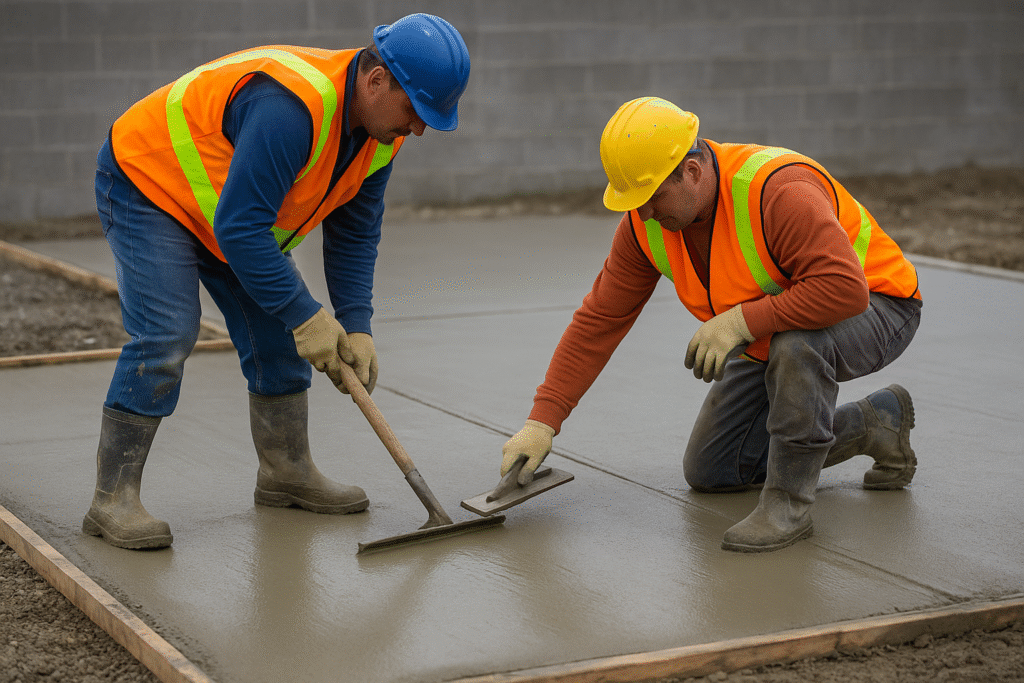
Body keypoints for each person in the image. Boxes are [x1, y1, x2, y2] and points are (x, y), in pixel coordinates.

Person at [83, 14, 471, 550]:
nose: (420, 128)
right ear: (377, 80)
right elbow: (242, 228)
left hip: (227, 208)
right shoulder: (291, 108)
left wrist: (356, 325)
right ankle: (112, 498)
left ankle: (286, 472)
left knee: (280, 341)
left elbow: (354, 234)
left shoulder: (382, 135)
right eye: (415, 110)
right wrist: (307, 314)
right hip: (150, 184)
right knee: (167, 332)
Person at [500, 97, 922, 552]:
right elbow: (601, 318)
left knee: (799, 347)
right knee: (714, 469)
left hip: (878, 306)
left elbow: (843, 289)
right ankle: (872, 423)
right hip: (775, 326)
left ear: (693, 172)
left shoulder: (777, 191)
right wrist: (543, 421)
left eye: (651, 197)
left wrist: (742, 321)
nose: (642, 213)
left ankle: (788, 506)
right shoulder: (646, 226)